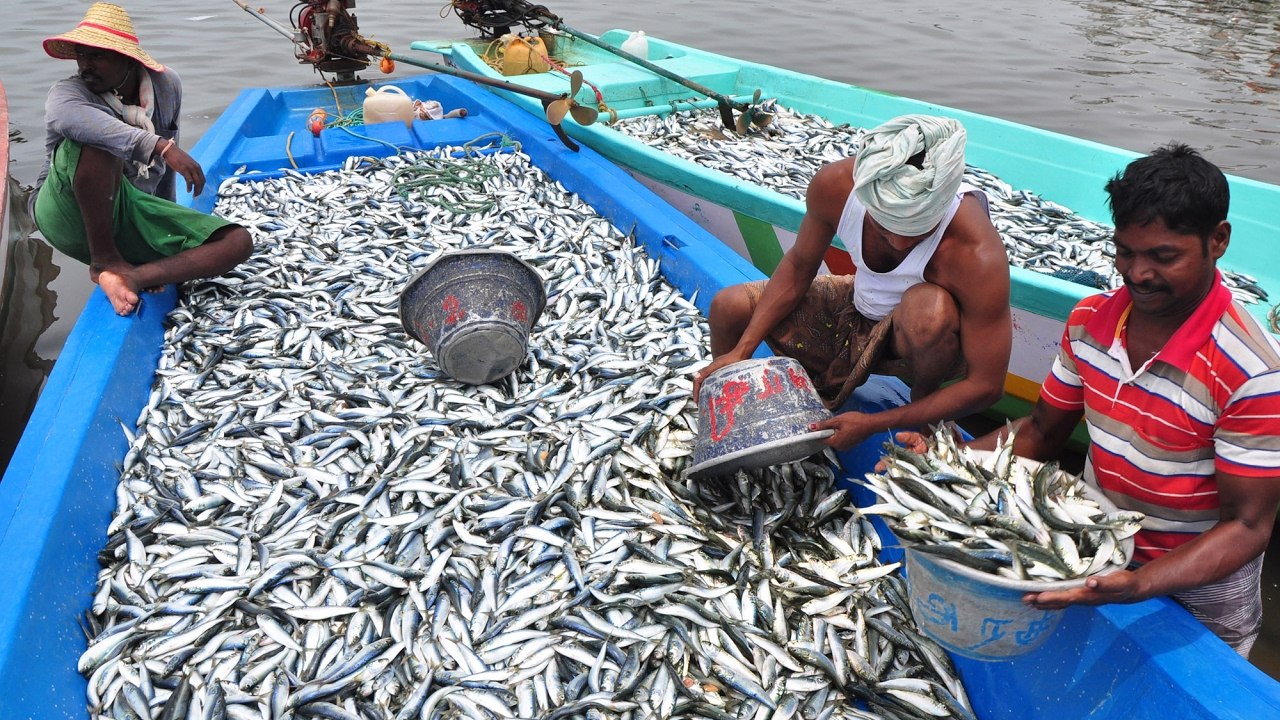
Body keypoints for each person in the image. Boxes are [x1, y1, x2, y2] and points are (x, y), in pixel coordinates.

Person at [897, 143, 1280, 656]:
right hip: (1091, 542)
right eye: (1125, 251)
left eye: (1164, 257)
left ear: (1218, 240)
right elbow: (1039, 431)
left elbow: (1248, 526)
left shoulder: (1252, 371)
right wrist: (949, 463)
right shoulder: (1089, 323)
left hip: (1200, 580)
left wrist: (1142, 584)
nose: (1138, 273)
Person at [693, 114, 1012, 451]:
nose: (900, 243)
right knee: (727, 306)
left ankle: (924, 408)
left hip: (918, 341)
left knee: (930, 312)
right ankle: (736, 420)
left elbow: (987, 385)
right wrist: (741, 350)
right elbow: (800, 265)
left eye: (917, 230)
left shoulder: (977, 254)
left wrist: (874, 424)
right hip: (856, 304)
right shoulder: (836, 186)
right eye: (885, 226)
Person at [32, 3, 252, 316]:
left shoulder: (165, 85)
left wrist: (165, 227)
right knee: (98, 141)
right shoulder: (68, 93)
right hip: (67, 212)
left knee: (237, 240)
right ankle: (104, 262)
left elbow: (161, 176)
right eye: (82, 55)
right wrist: (160, 146)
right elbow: (69, 120)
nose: (85, 66)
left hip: (129, 207)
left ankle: (132, 276)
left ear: (128, 59)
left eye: (98, 56)